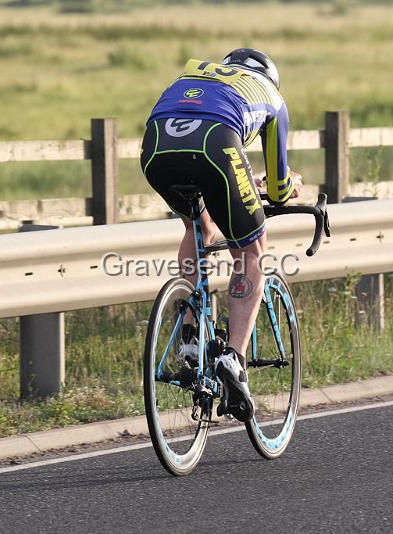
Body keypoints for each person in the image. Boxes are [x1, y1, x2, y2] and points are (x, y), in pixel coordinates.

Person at [140, 48, 302, 422]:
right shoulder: (273, 98)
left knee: (199, 224)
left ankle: (191, 335)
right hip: (216, 144)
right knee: (252, 251)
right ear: (270, 76)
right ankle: (234, 358)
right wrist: (286, 186)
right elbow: (277, 189)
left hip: (156, 148)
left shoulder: (198, 73)